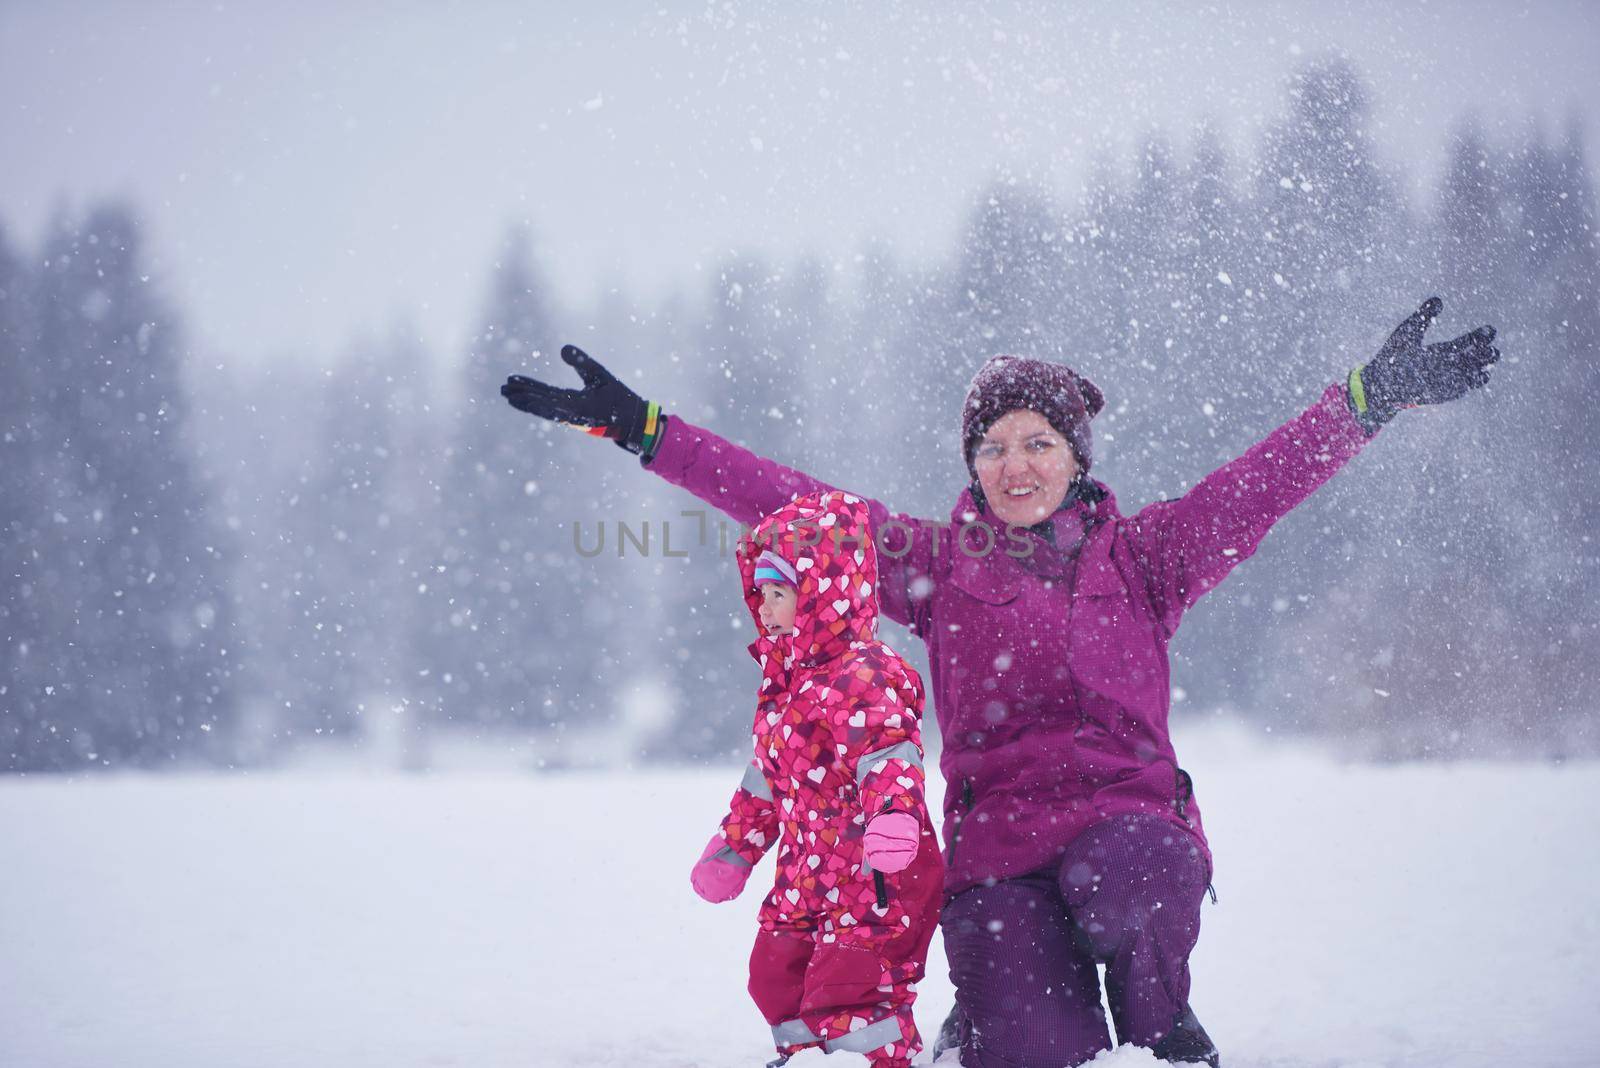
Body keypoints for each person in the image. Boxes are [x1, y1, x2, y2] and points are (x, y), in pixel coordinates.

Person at [502, 297, 1501, 1066]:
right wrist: (643, 430)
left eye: (1037, 443)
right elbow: (789, 502)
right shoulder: (931, 563)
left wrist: (1369, 399)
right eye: (992, 446)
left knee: (1135, 883)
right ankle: (985, 1021)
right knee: (1021, 1048)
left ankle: (1159, 1023)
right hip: (997, 858)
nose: (1013, 463)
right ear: (971, 464)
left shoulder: (1147, 559)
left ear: (1076, 457)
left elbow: (1259, 484)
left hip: (1128, 824)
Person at [687, 490, 942, 1068]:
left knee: (851, 982)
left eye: (780, 595)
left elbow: (889, 755)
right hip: (805, 869)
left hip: (872, 870)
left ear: (822, 598)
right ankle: (807, 1056)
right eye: (763, 595)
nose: (767, 609)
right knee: (775, 973)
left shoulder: (866, 673)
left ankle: (872, 1058)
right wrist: (735, 846)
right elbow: (768, 780)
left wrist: (893, 817)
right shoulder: (784, 686)